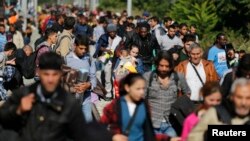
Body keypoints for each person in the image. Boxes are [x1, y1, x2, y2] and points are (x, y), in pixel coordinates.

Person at [0, 52, 96, 141]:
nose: (50, 80)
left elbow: (79, 134)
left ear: (61, 75)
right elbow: (3, 119)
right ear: (39, 73)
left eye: (54, 74)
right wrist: (18, 110)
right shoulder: (23, 95)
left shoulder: (69, 103)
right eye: (46, 74)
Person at [144, 51, 191, 137]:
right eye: (161, 66)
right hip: (152, 124)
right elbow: (141, 98)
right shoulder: (148, 77)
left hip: (172, 124)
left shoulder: (179, 77)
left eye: (167, 66)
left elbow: (187, 93)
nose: (164, 69)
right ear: (157, 64)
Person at [101, 73, 156, 141]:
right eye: (138, 89)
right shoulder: (115, 105)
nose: (142, 92)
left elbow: (149, 132)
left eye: (143, 89)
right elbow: (99, 127)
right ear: (127, 88)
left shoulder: (145, 105)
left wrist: (168, 138)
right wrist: (112, 136)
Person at [65, 35, 97, 122]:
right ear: (75, 46)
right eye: (81, 48)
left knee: (88, 126)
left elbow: (93, 78)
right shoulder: (66, 59)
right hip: (70, 101)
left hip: (86, 100)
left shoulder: (89, 59)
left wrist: (88, 85)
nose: (83, 51)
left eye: (85, 49)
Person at [94, 23, 122, 101]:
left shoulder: (119, 39)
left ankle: (108, 93)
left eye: (114, 32)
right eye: (110, 32)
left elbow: (120, 48)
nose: (112, 33)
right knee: (98, 74)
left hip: (111, 60)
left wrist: (116, 52)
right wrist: (106, 50)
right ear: (108, 32)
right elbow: (98, 47)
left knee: (107, 76)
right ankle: (98, 92)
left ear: (116, 31)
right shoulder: (103, 37)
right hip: (101, 58)